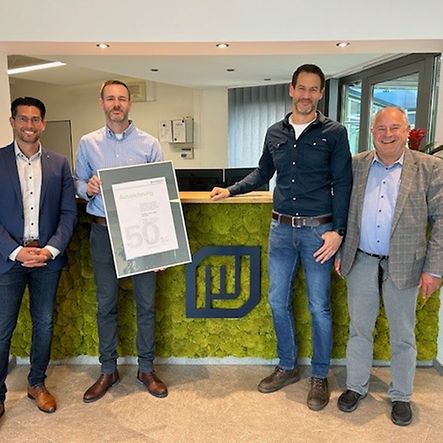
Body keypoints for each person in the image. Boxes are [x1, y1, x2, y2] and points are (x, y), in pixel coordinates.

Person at [210, 64, 352, 410]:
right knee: (277, 301)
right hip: (281, 231)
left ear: (321, 93)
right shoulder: (275, 131)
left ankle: (319, 375)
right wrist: (231, 190)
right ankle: (287, 366)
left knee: (319, 307)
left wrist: (338, 231)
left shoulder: (334, 132)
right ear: (291, 89)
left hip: (318, 232)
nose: (306, 95)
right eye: (301, 88)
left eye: (313, 89)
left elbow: (343, 183)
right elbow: (263, 172)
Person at [335, 106, 443, 426]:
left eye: (395, 128)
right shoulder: (355, 165)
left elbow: (441, 221)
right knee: (359, 329)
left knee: (403, 335)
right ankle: (356, 386)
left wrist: (434, 269)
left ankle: (401, 395)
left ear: (407, 132)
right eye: (380, 128)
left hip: (406, 264)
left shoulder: (429, 167)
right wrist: (341, 250)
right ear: (372, 132)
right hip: (361, 260)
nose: (387, 134)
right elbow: (342, 210)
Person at [75, 80, 168, 402]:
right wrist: (86, 188)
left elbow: (160, 195)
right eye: (110, 98)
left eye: (122, 99)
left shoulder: (149, 144)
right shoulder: (88, 143)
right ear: (101, 102)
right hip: (103, 231)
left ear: (130, 103)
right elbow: (76, 181)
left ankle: (146, 369)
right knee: (106, 305)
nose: (116, 104)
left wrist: (161, 249)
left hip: (141, 234)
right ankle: (107, 370)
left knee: (146, 304)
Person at [0, 97, 77, 419]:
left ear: (43, 124)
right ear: (12, 121)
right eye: (23, 118)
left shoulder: (59, 163)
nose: (29, 125)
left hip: (47, 259)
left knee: (44, 324)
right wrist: (16, 251)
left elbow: (68, 213)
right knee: (2, 327)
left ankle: (37, 383)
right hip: (8, 260)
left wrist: (50, 250)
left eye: (35, 119)